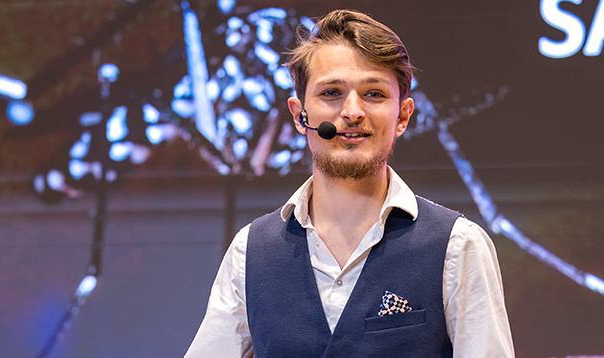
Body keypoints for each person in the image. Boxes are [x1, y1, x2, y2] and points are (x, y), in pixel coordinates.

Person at [185, 9, 514, 358]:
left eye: (374, 94)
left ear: (402, 116)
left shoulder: (457, 247)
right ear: (300, 115)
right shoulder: (250, 252)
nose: (353, 111)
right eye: (331, 93)